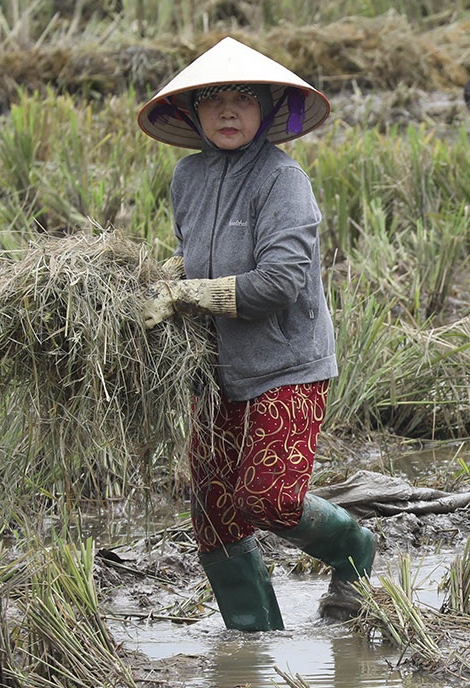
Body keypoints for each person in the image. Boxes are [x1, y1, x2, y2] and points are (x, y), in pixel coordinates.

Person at [136, 36, 375, 632]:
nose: (227, 111)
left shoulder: (281, 179)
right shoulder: (186, 177)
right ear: (191, 112)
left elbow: (284, 282)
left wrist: (190, 294)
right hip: (215, 371)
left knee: (266, 498)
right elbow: (189, 257)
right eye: (213, 99)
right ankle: (253, 640)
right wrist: (160, 282)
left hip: (286, 366)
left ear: (267, 110)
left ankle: (354, 551)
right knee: (213, 510)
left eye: (243, 98)